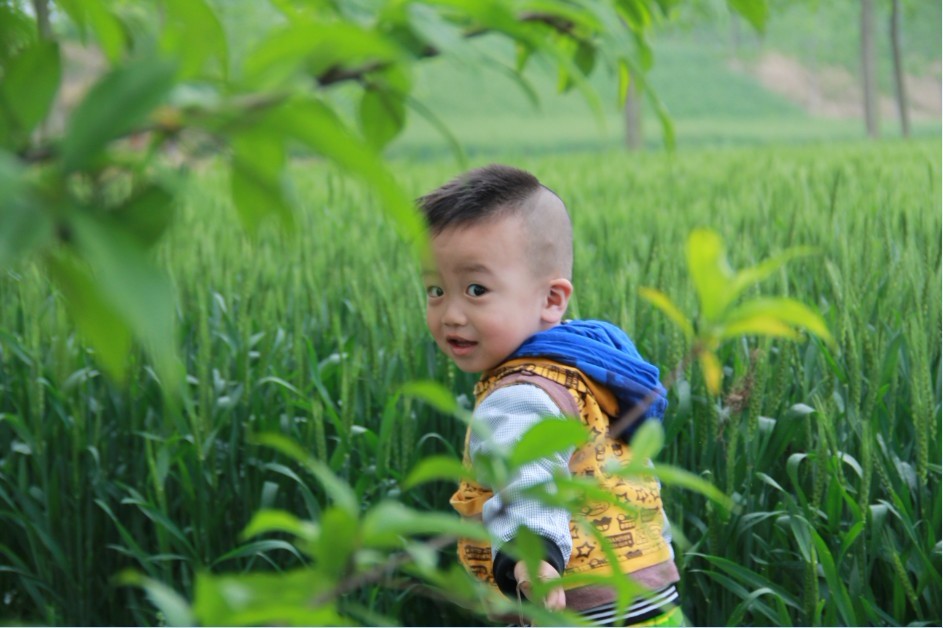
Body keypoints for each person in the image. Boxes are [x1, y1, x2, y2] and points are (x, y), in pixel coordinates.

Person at [418, 164, 684, 626]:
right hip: (651, 599)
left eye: (476, 289)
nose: (451, 314)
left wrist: (533, 555)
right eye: (435, 290)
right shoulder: (589, 368)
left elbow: (527, 473)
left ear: (551, 300)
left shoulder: (518, 394)